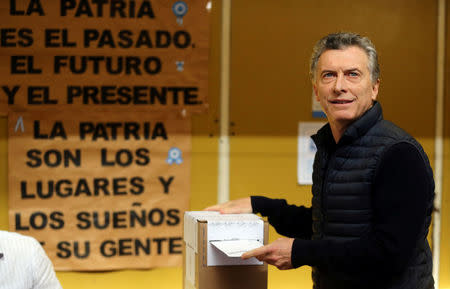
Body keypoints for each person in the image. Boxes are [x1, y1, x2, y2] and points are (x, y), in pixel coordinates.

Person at [205, 32, 435, 289]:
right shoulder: (331, 146)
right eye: (329, 75)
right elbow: (330, 226)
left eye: (352, 74)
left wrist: (300, 252)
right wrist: (261, 205)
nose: (339, 86)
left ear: (374, 87)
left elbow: (389, 253)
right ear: (316, 90)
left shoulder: (399, 153)